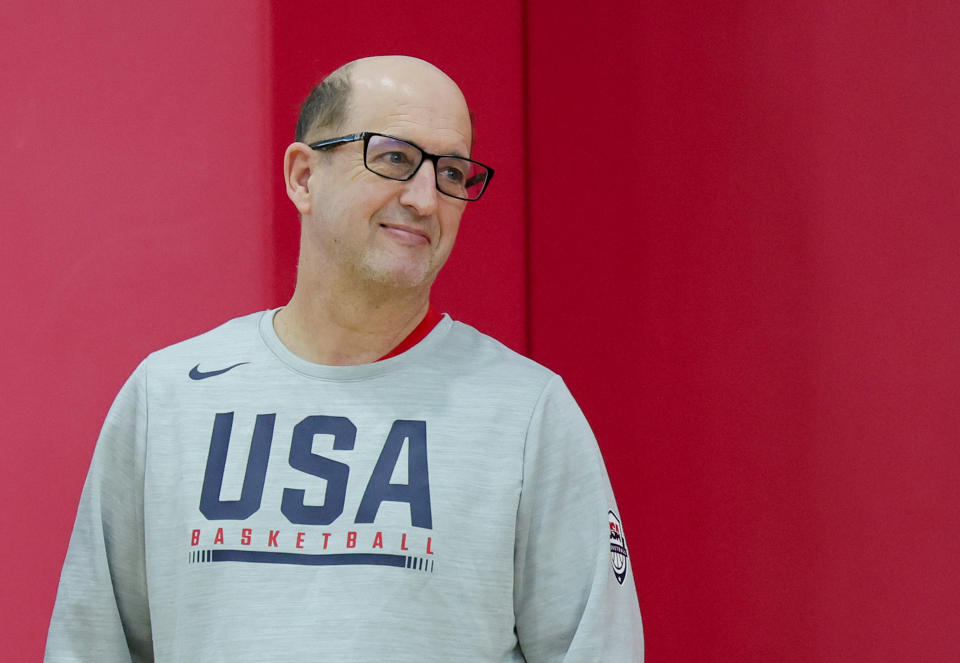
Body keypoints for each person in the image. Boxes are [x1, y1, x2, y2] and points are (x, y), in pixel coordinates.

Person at [45, 55, 644, 662]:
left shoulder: (527, 414)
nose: (424, 199)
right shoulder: (169, 396)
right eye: (393, 158)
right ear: (304, 176)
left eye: (453, 173)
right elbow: (89, 644)